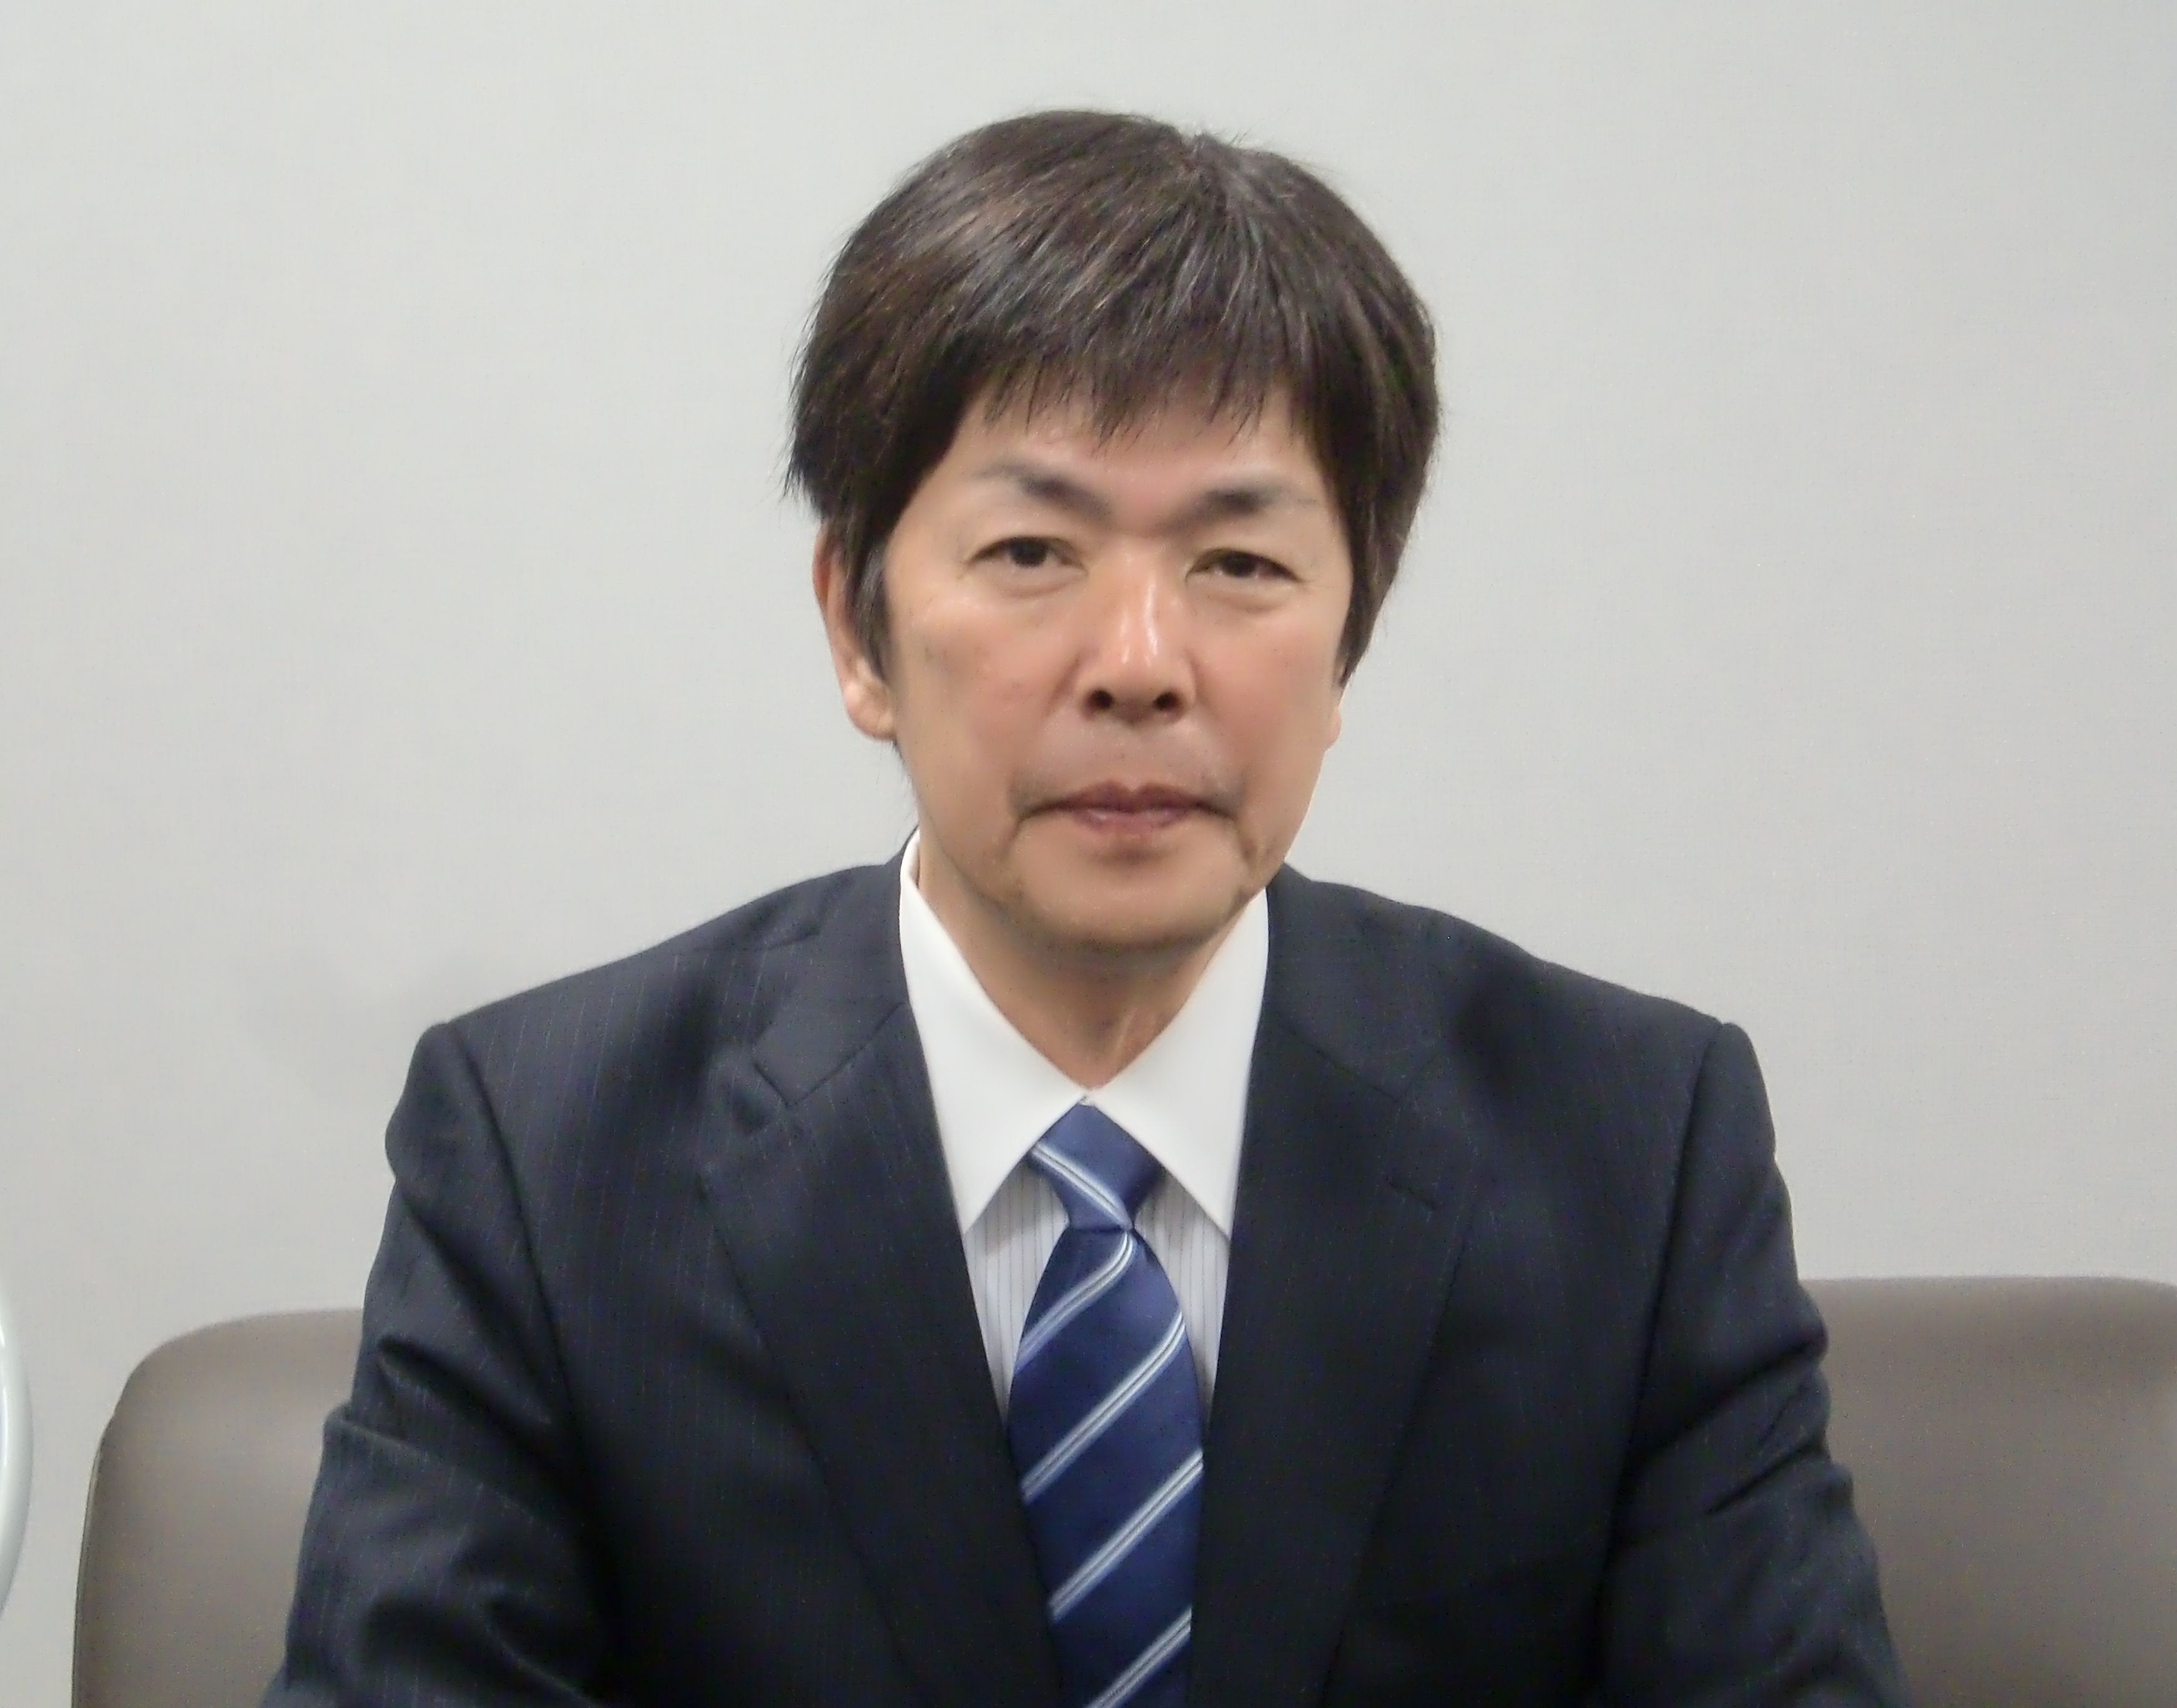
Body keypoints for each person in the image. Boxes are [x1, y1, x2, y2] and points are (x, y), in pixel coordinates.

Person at [268, 110, 1907, 1707]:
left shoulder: (1630, 1145)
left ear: (1352, 634)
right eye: (1034, 551)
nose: (1139, 665)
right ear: (855, 627)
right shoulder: (549, 1155)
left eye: (1240, 566)